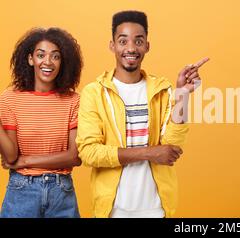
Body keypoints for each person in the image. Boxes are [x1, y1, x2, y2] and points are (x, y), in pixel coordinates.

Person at [76, 10, 208, 218]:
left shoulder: (162, 90)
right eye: (123, 41)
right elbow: (89, 152)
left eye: (138, 41)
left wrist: (182, 94)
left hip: (156, 208)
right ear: (112, 45)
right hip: (112, 210)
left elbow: (172, 144)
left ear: (147, 46)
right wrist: (149, 153)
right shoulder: (94, 93)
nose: (131, 48)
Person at [0, 27, 83, 218]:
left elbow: (74, 156)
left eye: (55, 56)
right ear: (30, 59)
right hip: (21, 190)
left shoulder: (74, 101)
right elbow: (11, 157)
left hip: (61, 192)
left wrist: (27, 160)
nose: (48, 62)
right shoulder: (10, 99)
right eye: (40, 55)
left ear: (63, 62)